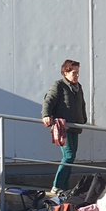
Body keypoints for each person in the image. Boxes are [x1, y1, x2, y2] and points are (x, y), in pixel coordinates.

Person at [41, 59, 87, 195]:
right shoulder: (59, 85)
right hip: (62, 127)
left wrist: (83, 119)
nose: (77, 75)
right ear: (65, 72)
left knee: (71, 157)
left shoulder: (78, 87)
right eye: (74, 73)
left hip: (74, 127)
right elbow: (48, 100)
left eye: (78, 73)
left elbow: (82, 104)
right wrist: (46, 115)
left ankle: (64, 187)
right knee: (68, 155)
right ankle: (57, 186)